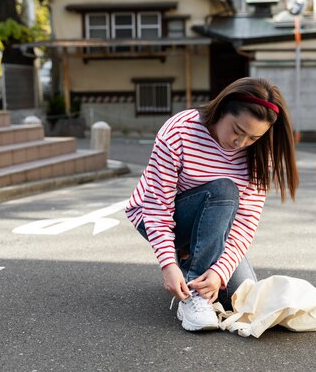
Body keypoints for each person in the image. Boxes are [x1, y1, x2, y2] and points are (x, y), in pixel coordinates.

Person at [125, 77, 299, 332]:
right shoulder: (180, 131)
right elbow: (156, 207)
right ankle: (193, 291)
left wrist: (220, 271)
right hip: (162, 218)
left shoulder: (261, 154)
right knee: (223, 189)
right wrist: (168, 264)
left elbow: (245, 220)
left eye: (253, 137)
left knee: (242, 296)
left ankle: (196, 269)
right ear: (222, 109)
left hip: (215, 224)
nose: (241, 143)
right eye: (237, 131)